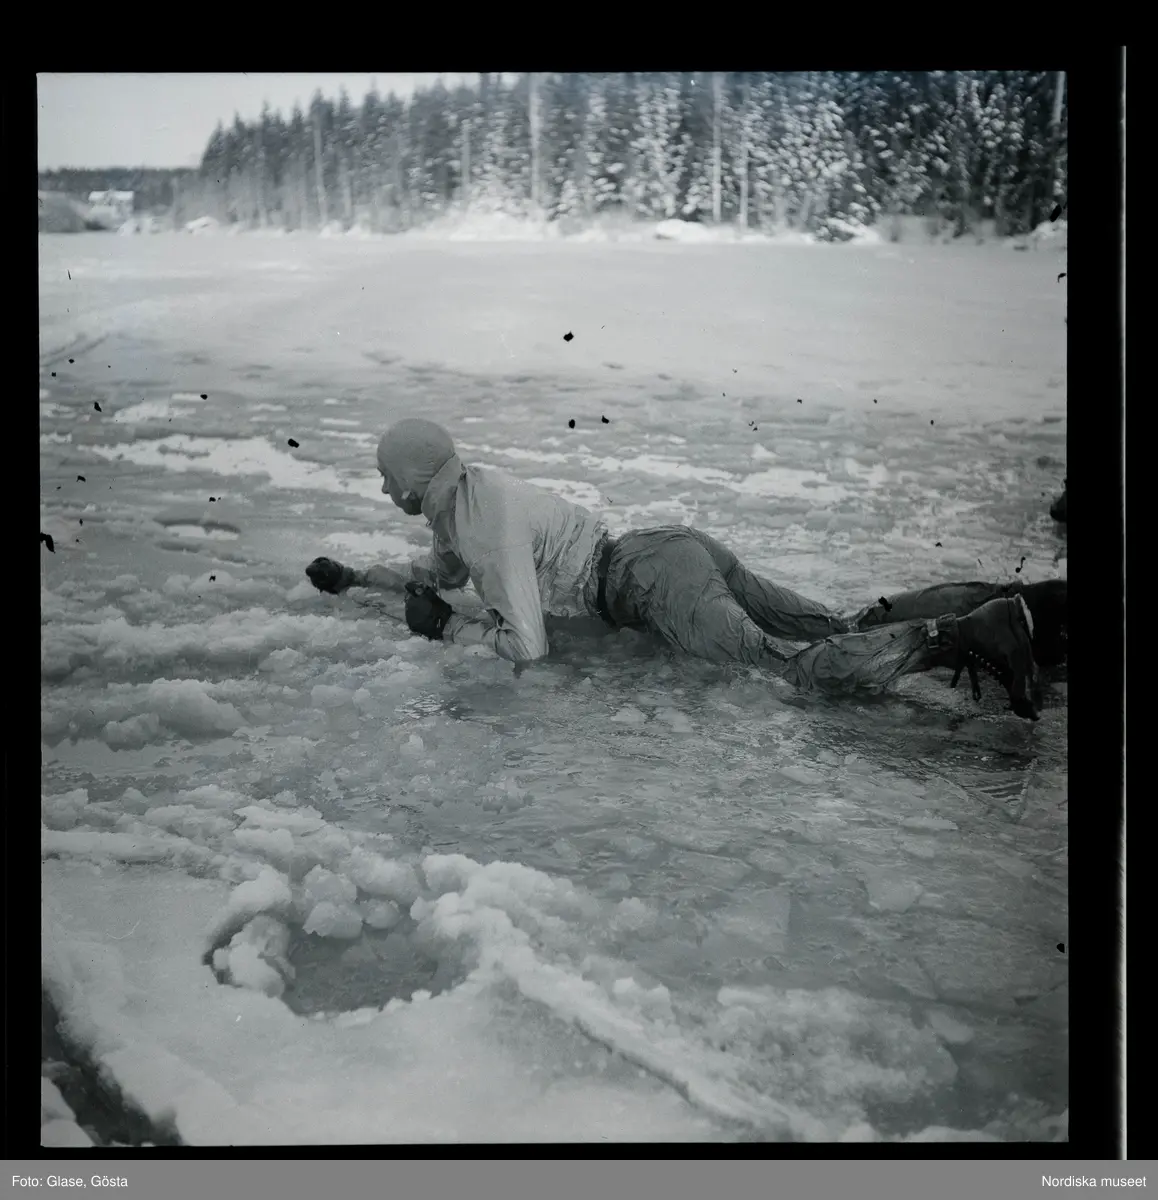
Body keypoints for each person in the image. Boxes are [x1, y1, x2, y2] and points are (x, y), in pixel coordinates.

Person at [306, 419, 1067, 721]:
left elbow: (526, 646)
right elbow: (436, 571)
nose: (381, 488)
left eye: (383, 476)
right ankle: (1025, 609)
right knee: (836, 625)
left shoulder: (484, 525)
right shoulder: (464, 502)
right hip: (662, 549)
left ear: (413, 478)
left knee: (789, 668)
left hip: (648, 583)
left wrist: (447, 629)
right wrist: (358, 578)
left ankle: (967, 633)